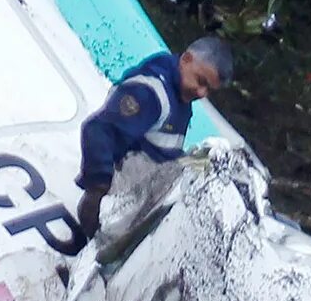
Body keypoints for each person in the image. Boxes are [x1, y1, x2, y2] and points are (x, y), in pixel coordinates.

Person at [65, 36, 233, 252]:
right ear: (187, 59)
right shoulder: (151, 93)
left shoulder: (181, 96)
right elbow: (98, 130)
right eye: (200, 81)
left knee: (212, 161)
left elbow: (162, 151)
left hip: (152, 186)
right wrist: (96, 190)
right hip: (119, 202)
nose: (201, 93)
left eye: (209, 90)